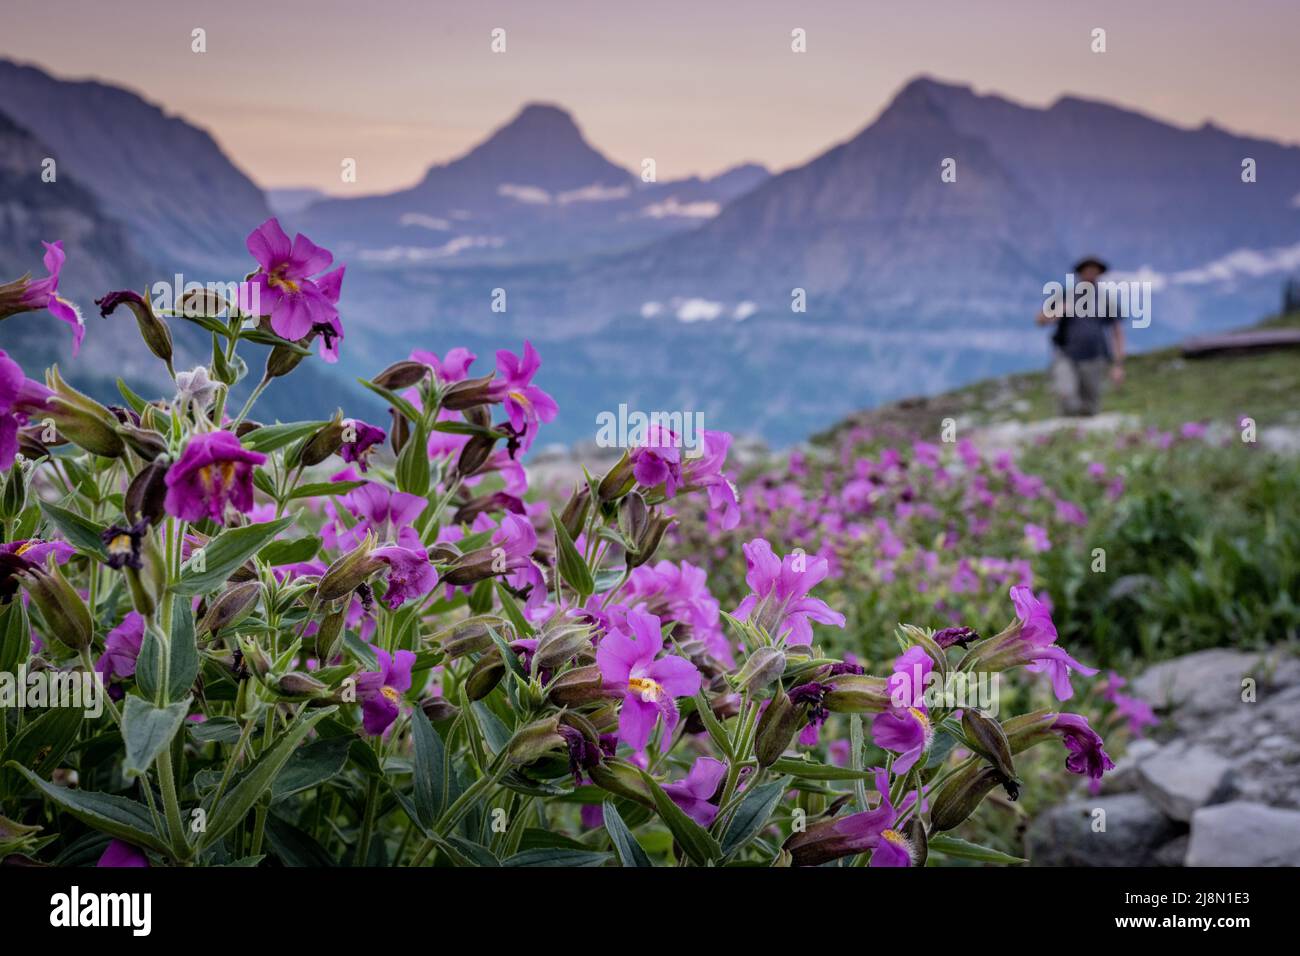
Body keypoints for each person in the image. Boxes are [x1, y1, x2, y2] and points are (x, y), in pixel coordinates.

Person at [1035, 256, 1126, 416]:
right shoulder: (1066, 295)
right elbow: (1040, 320)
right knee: (1066, 394)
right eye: (1087, 270)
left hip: (1095, 358)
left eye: (1094, 270)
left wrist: (1118, 365)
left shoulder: (1106, 300)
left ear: (1099, 273)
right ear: (1080, 273)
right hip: (1066, 355)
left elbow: (1117, 332)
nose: (1090, 273)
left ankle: (1081, 435)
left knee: (1090, 407)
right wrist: (1055, 312)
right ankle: (1066, 429)